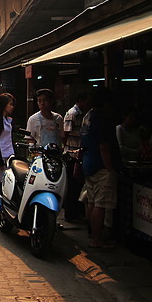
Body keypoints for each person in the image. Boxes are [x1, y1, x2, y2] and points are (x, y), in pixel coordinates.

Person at [80, 88, 120, 249]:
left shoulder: (87, 117)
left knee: (91, 200)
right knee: (100, 204)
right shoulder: (101, 119)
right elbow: (104, 146)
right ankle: (96, 239)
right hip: (100, 165)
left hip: (89, 162)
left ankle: (92, 233)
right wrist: (110, 168)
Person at [61, 92, 90, 223]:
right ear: (80, 100)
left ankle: (76, 212)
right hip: (71, 154)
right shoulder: (72, 113)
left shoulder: (84, 114)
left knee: (78, 184)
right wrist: (64, 149)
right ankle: (70, 213)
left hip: (79, 154)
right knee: (72, 185)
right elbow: (65, 134)